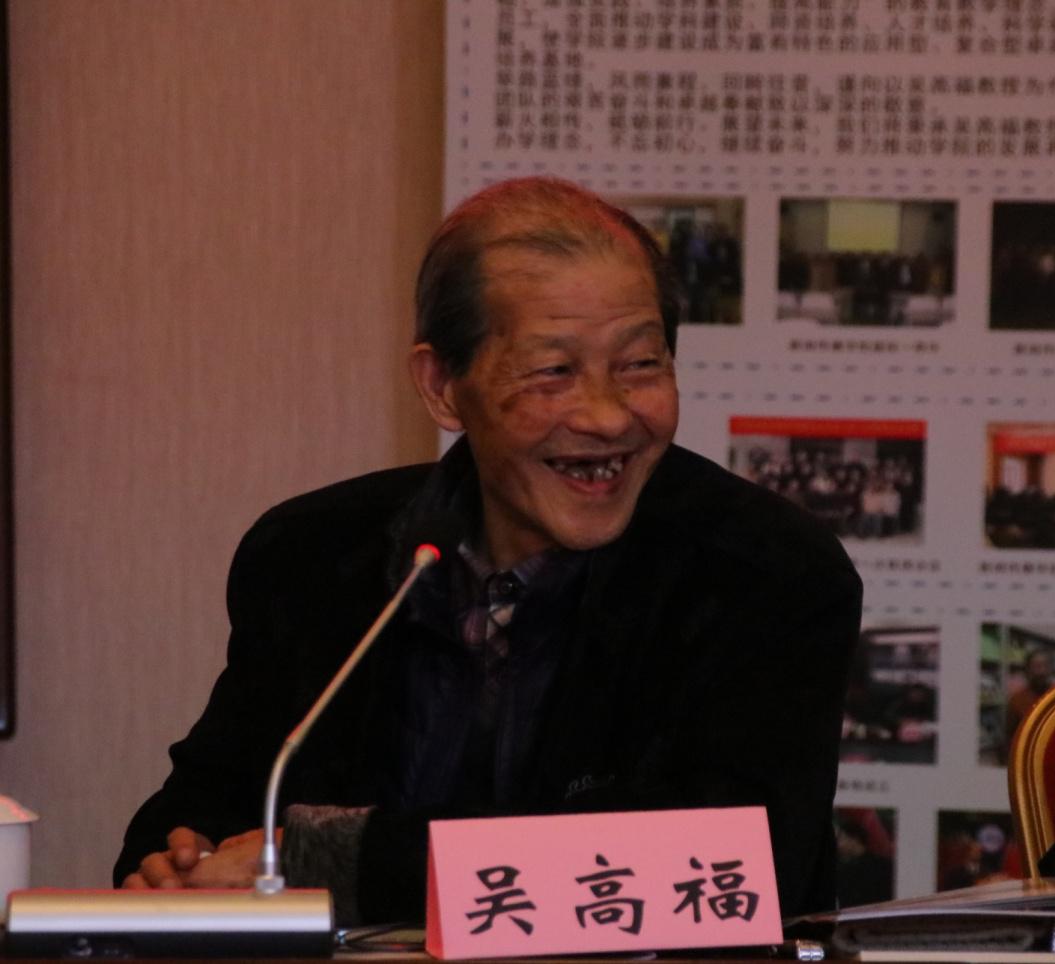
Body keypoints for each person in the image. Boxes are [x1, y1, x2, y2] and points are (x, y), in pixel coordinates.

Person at [114, 177, 862, 924]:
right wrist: (177, 865)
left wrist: (329, 862)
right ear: (442, 386)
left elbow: (731, 868)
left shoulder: (766, 572)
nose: (608, 418)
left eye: (640, 364)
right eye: (553, 371)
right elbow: (203, 805)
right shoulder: (313, 555)